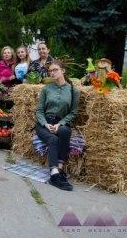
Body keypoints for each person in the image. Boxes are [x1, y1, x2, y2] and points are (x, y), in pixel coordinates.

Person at [35, 60, 79, 191]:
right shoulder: (46, 89)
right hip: (44, 123)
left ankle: (59, 169)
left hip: (60, 122)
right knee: (53, 139)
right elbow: (39, 110)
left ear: (63, 71)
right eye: (50, 71)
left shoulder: (73, 91)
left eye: (55, 70)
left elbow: (73, 112)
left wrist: (61, 124)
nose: (52, 73)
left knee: (65, 131)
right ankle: (54, 175)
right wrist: (45, 124)